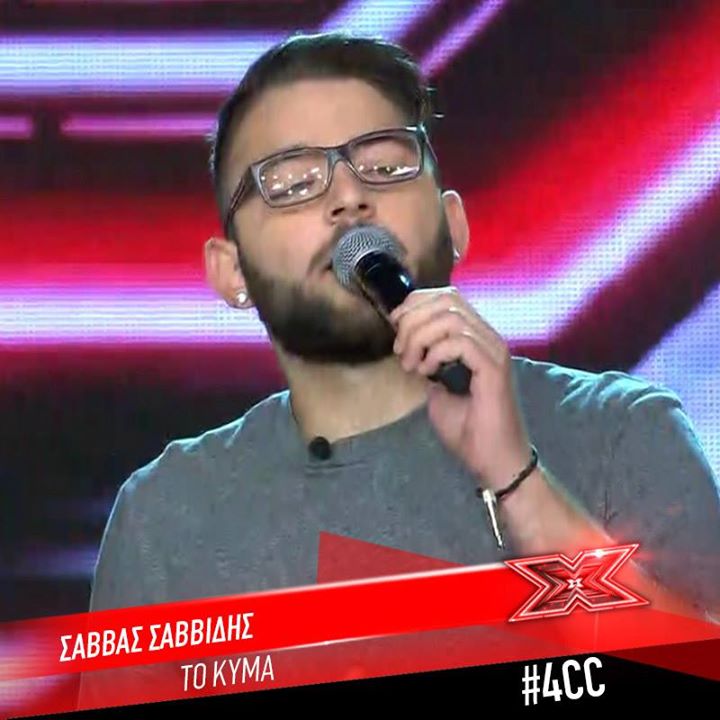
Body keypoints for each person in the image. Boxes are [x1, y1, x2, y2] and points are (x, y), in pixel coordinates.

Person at [89, 32, 720, 625]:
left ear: (455, 226)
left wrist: (517, 481)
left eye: (386, 167)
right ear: (232, 273)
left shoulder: (619, 434)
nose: (348, 197)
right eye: (293, 182)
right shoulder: (167, 516)